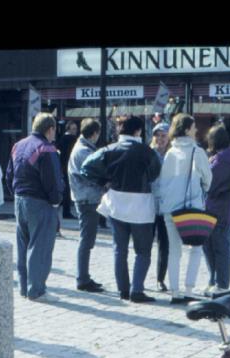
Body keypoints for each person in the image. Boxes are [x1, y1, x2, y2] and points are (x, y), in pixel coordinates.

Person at [82, 115, 162, 303]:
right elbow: (155, 173)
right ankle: (137, 289)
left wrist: (104, 180)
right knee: (143, 251)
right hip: (141, 205)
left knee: (120, 249)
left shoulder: (109, 149)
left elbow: (86, 167)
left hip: (116, 202)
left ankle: (123, 290)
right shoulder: (147, 152)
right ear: (138, 131)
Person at [154, 113, 213, 303]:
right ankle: (188, 289)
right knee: (195, 248)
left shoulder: (171, 152)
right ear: (187, 129)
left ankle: (175, 292)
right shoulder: (197, 151)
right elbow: (208, 180)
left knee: (174, 251)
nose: (196, 130)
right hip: (191, 209)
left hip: (170, 209)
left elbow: (163, 181)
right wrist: (201, 188)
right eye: (194, 127)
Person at [6, 112, 65, 302]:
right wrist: (56, 200)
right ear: (50, 129)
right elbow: (53, 181)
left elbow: (9, 175)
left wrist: (15, 193)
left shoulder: (18, 145)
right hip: (40, 202)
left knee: (24, 246)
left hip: (19, 199)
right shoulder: (46, 149)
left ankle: (24, 287)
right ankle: (37, 290)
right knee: (40, 247)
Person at [68, 118, 104, 293]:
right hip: (87, 199)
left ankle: (84, 277)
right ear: (95, 133)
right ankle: (82, 278)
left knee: (87, 239)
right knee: (87, 240)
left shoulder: (83, 148)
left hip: (85, 198)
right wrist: (104, 185)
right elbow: (90, 176)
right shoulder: (83, 151)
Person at [203, 124, 230, 291]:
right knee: (211, 245)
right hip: (221, 207)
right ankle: (214, 280)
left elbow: (210, 182)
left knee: (218, 246)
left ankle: (221, 283)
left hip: (218, 209)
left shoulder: (223, 159)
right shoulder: (229, 155)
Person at [149, 122, 170, 291]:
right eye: (157, 135)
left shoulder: (173, 155)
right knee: (145, 243)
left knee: (164, 244)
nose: (160, 139)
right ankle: (140, 277)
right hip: (149, 204)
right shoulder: (149, 154)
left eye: (163, 136)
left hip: (166, 205)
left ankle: (160, 278)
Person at [56, 120, 80, 220]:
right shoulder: (72, 139)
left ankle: (65, 210)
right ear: (68, 129)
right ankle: (67, 211)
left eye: (76, 129)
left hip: (62, 166)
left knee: (65, 189)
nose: (75, 131)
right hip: (68, 166)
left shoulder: (61, 139)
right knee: (67, 190)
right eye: (73, 129)